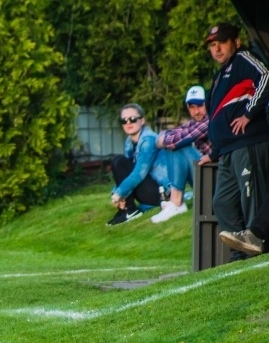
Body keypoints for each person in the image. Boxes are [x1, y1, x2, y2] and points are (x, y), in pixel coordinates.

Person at [198, 22, 269, 260]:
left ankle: (256, 256)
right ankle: (238, 256)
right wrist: (214, 152)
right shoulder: (218, 77)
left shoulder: (244, 59)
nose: (217, 49)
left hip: (247, 144)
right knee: (222, 203)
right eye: (213, 45)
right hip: (227, 150)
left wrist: (249, 113)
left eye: (222, 43)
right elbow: (216, 118)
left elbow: (267, 76)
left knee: (252, 201)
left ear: (236, 42)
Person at [150, 85, 212, 223]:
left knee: (179, 146)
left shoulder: (211, 120)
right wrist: (164, 139)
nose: (196, 111)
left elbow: (174, 140)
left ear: (207, 103)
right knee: (173, 145)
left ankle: (176, 202)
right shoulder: (193, 123)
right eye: (192, 107)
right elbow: (165, 135)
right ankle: (175, 201)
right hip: (204, 173)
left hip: (215, 177)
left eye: (200, 105)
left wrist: (164, 140)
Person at [106, 104, 168, 226]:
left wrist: (119, 193)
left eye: (133, 119)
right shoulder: (129, 141)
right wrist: (117, 192)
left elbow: (139, 173)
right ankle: (125, 210)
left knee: (118, 161)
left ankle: (130, 211)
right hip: (147, 188)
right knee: (119, 162)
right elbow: (124, 173)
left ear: (142, 120)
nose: (128, 122)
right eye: (124, 120)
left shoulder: (149, 140)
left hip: (161, 193)